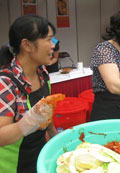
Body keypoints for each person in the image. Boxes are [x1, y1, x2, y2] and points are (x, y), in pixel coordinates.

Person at [0, 15, 57, 172]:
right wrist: (31, 120)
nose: (53, 46)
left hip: (38, 156)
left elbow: (45, 111)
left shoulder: (42, 72)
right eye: (48, 39)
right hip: (13, 165)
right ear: (27, 45)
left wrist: (54, 135)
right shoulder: (6, 82)